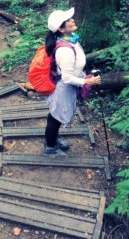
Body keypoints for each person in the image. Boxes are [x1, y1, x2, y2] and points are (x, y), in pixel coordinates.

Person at [43, 8, 101, 155]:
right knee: (55, 117)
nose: (72, 20)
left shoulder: (72, 39)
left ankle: (53, 139)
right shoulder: (65, 50)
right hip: (64, 89)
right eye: (68, 20)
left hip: (69, 86)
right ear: (61, 29)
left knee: (56, 116)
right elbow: (67, 78)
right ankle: (50, 147)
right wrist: (88, 82)